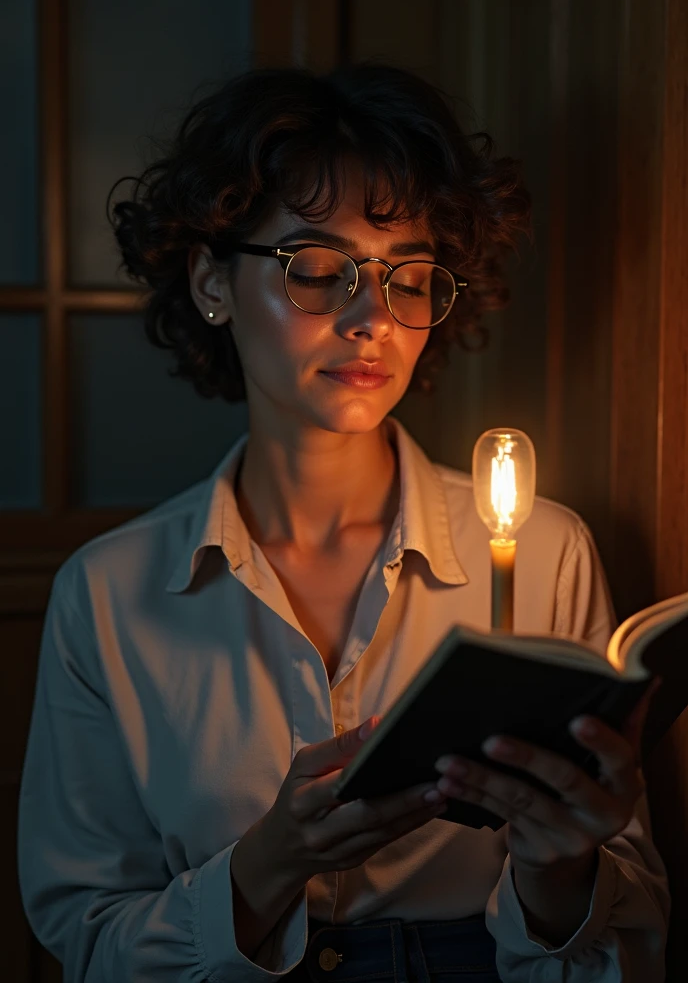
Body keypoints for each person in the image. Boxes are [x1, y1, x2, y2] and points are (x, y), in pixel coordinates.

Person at [18, 63, 669, 983]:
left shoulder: (544, 546)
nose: (372, 317)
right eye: (318, 270)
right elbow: (86, 938)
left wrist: (559, 869)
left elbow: (628, 935)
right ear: (211, 279)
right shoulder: (110, 593)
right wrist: (273, 859)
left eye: (407, 277)